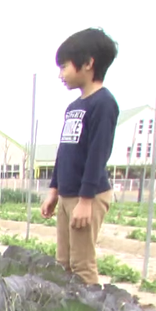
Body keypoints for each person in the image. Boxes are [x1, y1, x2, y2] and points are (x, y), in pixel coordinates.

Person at [40, 28, 119, 285]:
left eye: (64, 67)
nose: (61, 75)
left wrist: (86, 199)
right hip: (67, 195)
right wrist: (54, 189)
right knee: (63, 263)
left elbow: (98, 155)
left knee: (82, 265)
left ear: (87, 63)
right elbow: (64, 152)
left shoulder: (104, 103)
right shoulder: (74, 107)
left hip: (89, 196)